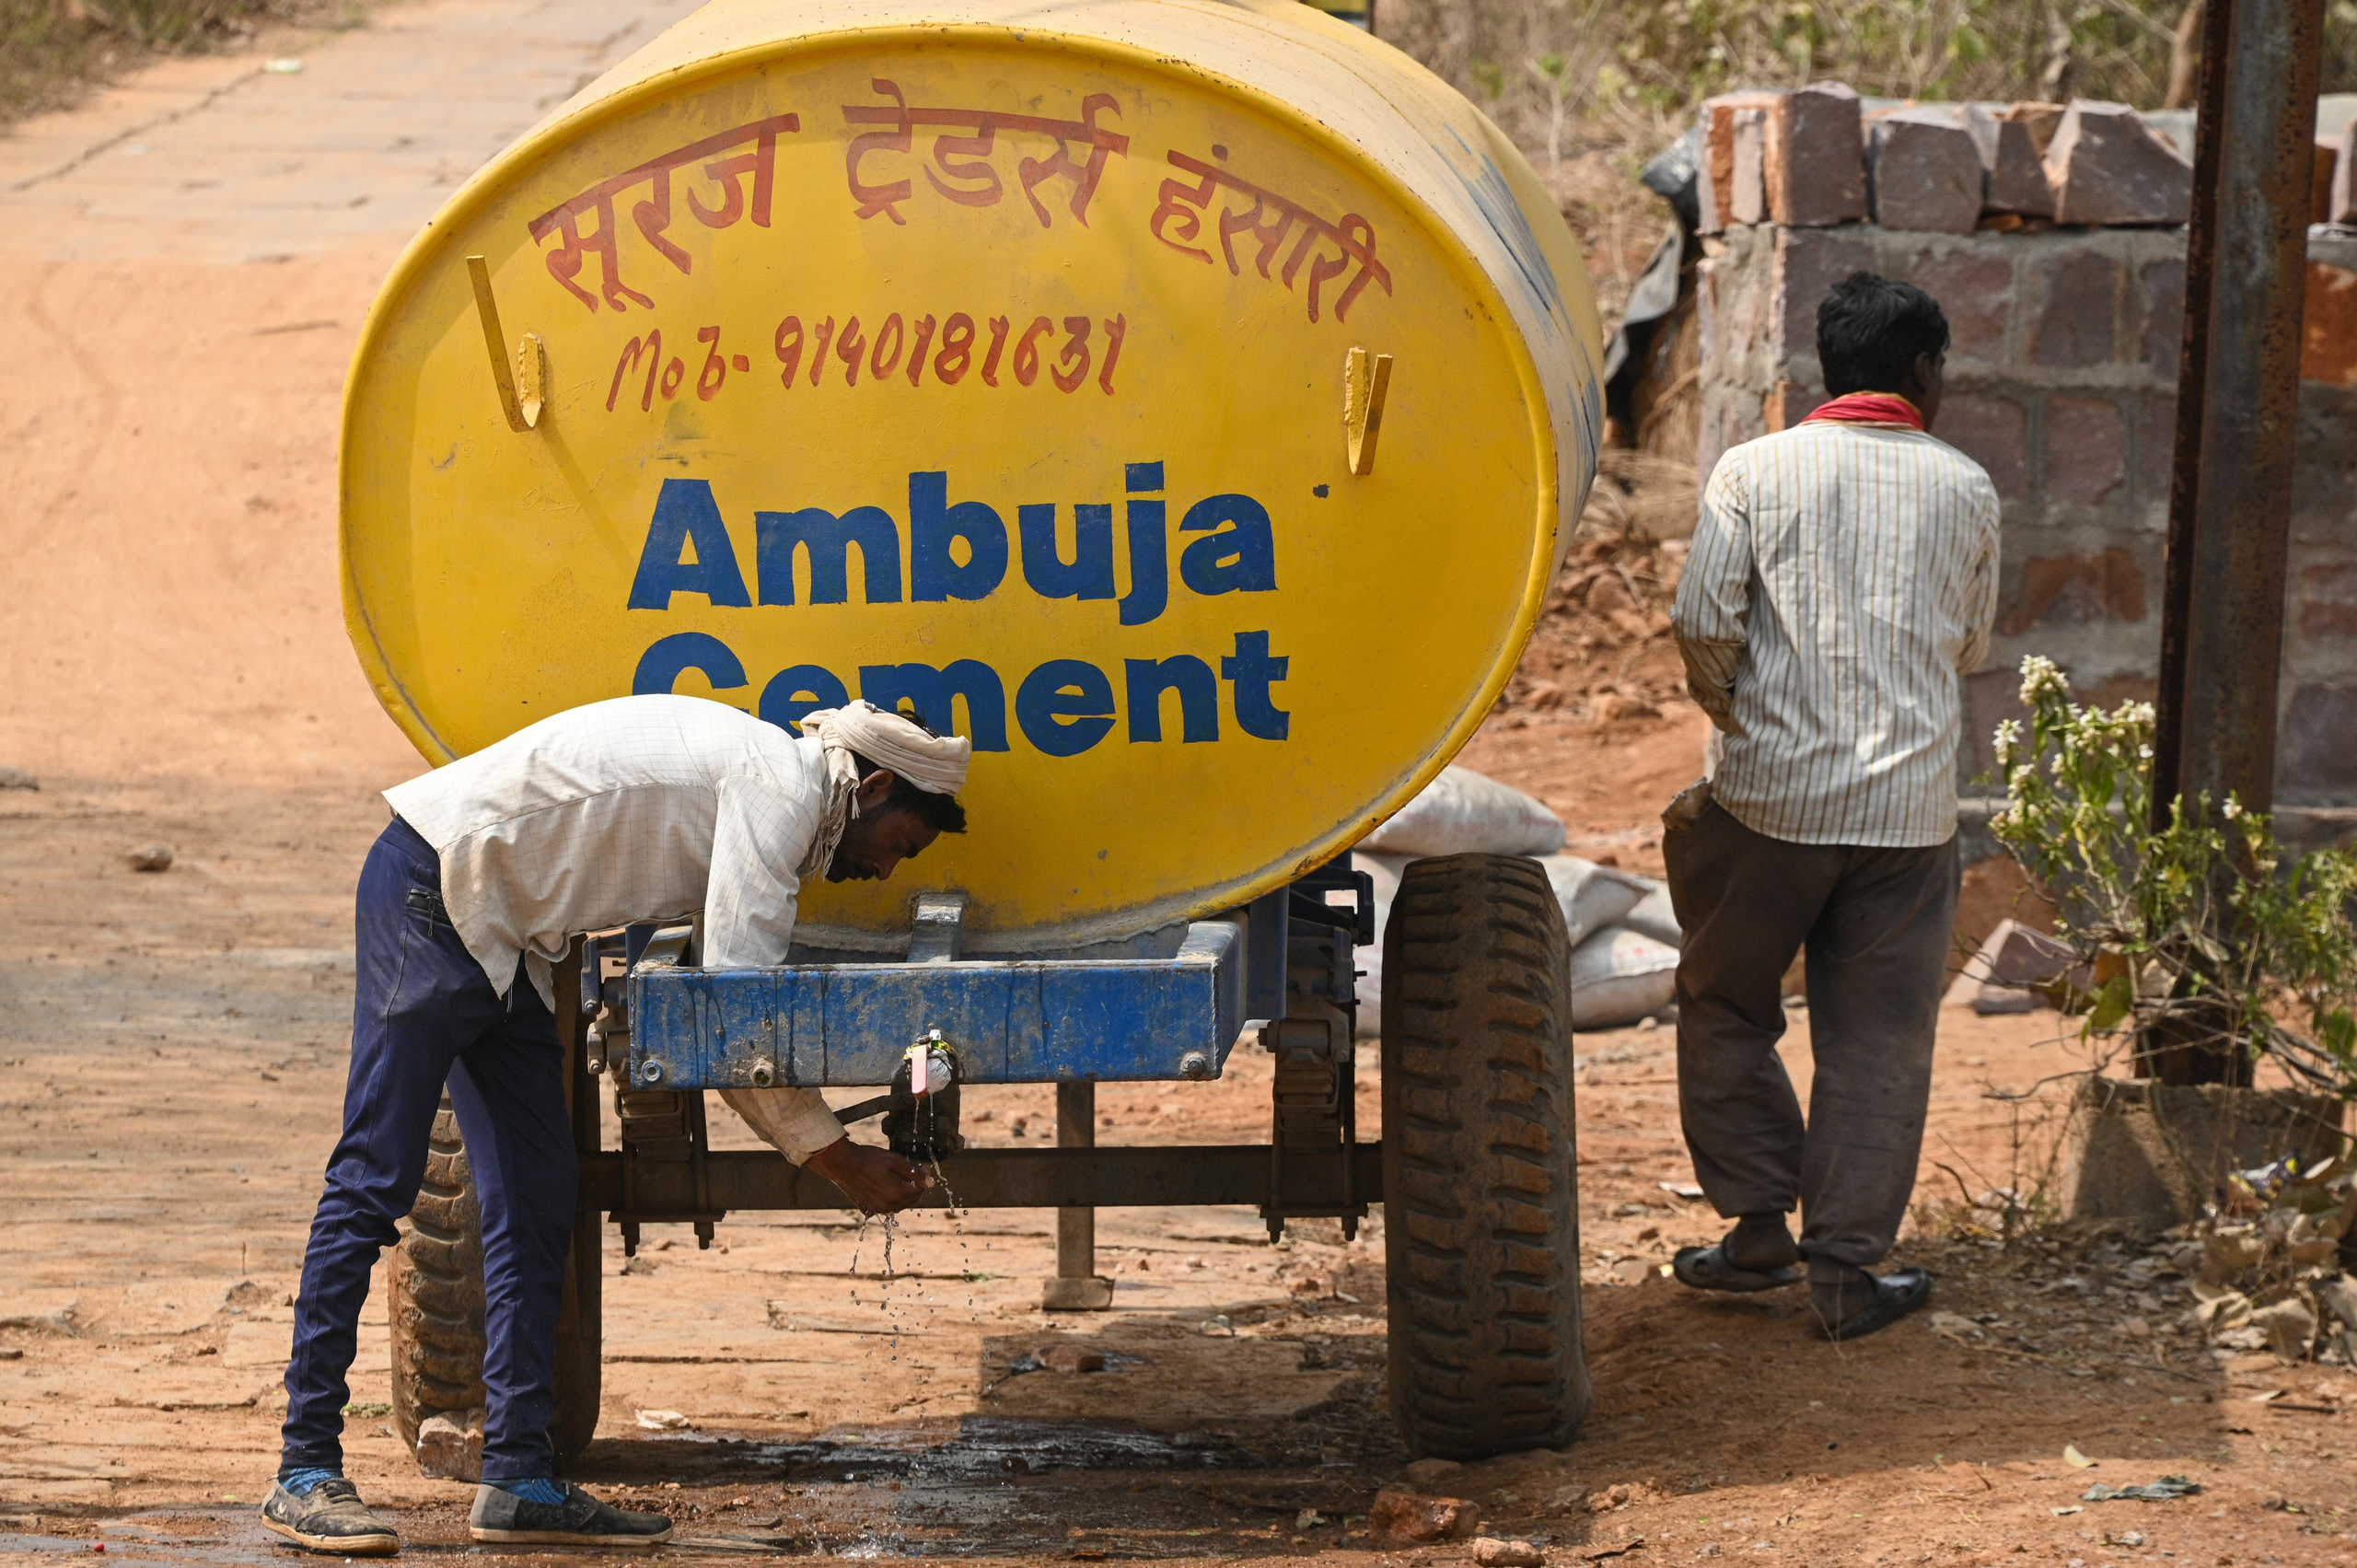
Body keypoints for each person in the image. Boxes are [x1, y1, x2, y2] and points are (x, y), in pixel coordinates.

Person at [261, 695, 970, 1554]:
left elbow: (723, 993)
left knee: (536, 1192)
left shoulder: (770, 780)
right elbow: (734, 1016)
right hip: (436, 889)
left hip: (513, 937)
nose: (887, 869)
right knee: (374, 1179)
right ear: (876, 785)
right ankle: (303, 1470)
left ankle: (518, 1476)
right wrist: (836, 1157)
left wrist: (826, 1147)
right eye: (900, 844)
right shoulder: (779, 788)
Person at [1663, 272, 2000, 1342]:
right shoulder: (1965, 487)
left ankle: (1758, 1225)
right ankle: (1845, 1275)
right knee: (1878, 1046)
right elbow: (1972, 644)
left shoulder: (1754, 471)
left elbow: (1702, 621)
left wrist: (1741, 717)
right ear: (1918, 372)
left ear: (1829, 367)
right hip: (1908, 818)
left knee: (1725, 1007)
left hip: (1765, 804)